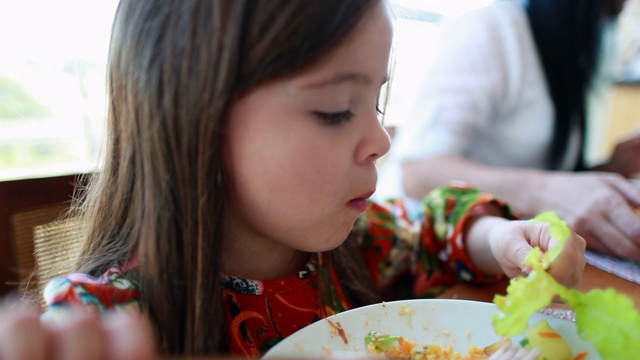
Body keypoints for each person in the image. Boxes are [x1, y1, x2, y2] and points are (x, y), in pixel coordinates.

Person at [0, 0, 586, 358]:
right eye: (335, 109)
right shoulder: (109, 322)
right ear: (194, 119)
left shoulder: (354, 249)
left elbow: (429, 232)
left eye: (376, 101)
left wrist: (502, 242)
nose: (381, 141)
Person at [377, 0, 640, 260]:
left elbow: (547, 176)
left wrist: (611, 167)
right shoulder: (491, 31)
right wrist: (547, 192)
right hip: (418, 253)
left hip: (504, 254)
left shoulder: (563, 51)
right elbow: (418, 173)